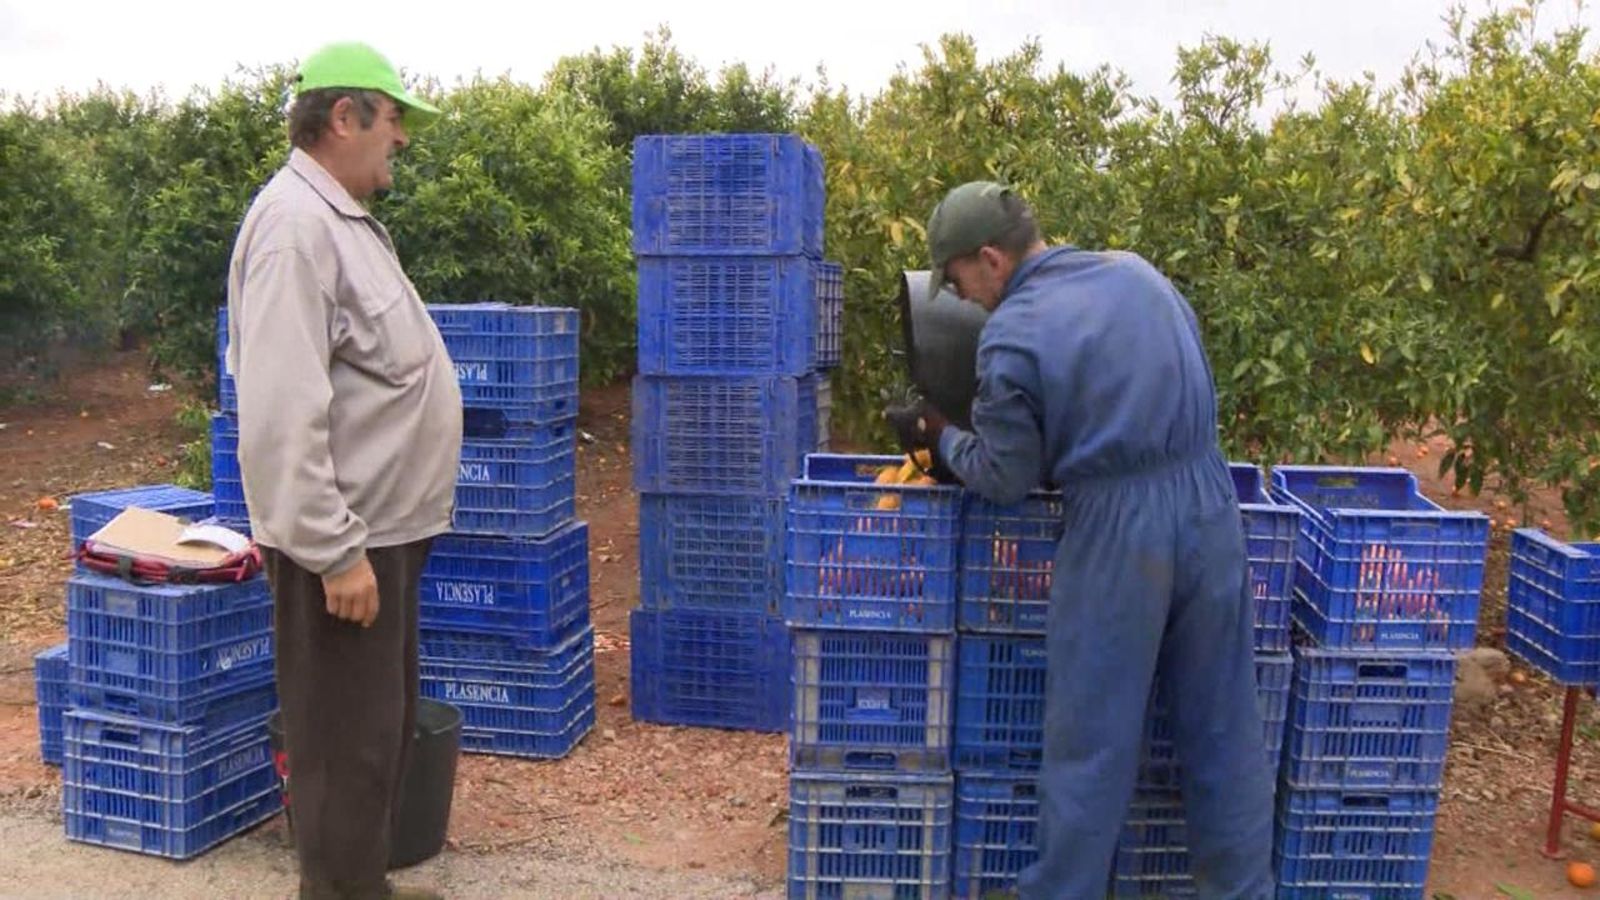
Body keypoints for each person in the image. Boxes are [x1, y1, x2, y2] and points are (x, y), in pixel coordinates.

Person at [886, 181, 1273, 898]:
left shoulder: (1014, 333)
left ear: (991, 259)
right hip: (1209, 507)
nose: (959, 295)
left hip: (1119, 534)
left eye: (957, 278)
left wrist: (939, 437)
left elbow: (1005, 476)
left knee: (1091, 741)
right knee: (1224, 728)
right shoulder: (1139, 274)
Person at [224, 41, 461, 900]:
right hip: (347, 550)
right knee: (341, 758)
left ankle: (365, 888)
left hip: (379, 539)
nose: (402, 137)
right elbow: (281, 411)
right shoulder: (295, 230)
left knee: (375, 744)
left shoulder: (336, 220)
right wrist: (333, 551)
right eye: (393, 118)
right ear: (344, 117)